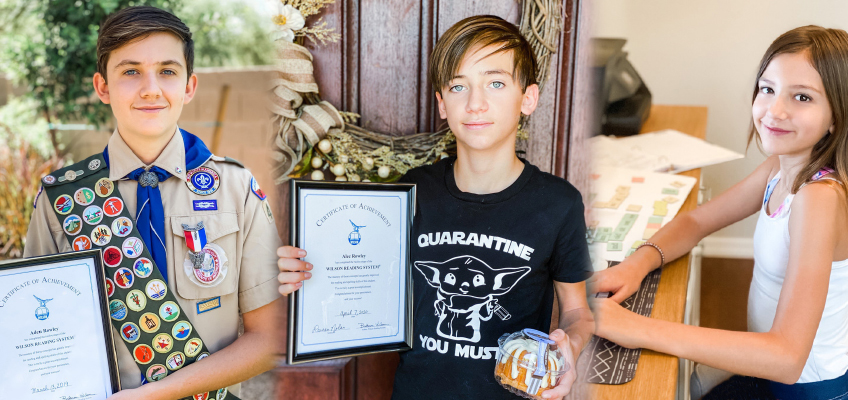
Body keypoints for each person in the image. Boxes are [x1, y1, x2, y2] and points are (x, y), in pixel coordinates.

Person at [277, 15, 594, 399]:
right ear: (443, 104)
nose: (476, 104)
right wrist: (302, 272)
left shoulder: (559, 204)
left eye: (495, 83)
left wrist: (571, 346)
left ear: (527, 97)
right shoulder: (407, 195)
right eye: (459, 87)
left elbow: (577, 311)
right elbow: (352, 271)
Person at [24, 6, 283, 400]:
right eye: (130, 71)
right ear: (102, 87)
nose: (150, 88)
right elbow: (40, 337)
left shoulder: (235, 187)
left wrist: (151, 395)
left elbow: (269, 339)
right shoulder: (61, 199)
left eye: (167, 71)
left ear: (189, 86)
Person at [590, 25, 848, 400]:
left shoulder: (820, 198)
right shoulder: (781, 167)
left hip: (806, 389)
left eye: (802, 98)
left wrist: (633, 327)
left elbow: (788, 358)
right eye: (767, 89)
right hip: (775, 367)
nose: (774, 110)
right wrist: (637, 263)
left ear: (837, 116)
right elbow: (698, 221)